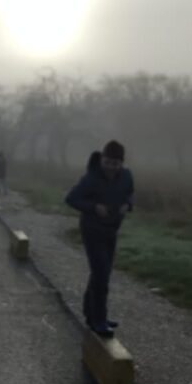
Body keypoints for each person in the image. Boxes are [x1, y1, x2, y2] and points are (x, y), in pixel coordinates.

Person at [65, 140, 134, 338]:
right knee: (101, 275)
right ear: (102, 159)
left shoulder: (126, 176)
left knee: (101, 273)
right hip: (92, 230)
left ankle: (91, 313)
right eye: (107, 162)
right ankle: (99, 320)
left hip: (111, 230)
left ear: (121, 163)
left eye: (115, 163)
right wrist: (94, 207)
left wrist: (128, 204)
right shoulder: (91, 178)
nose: (111, 167)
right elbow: (71, 198)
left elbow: (130, 193)